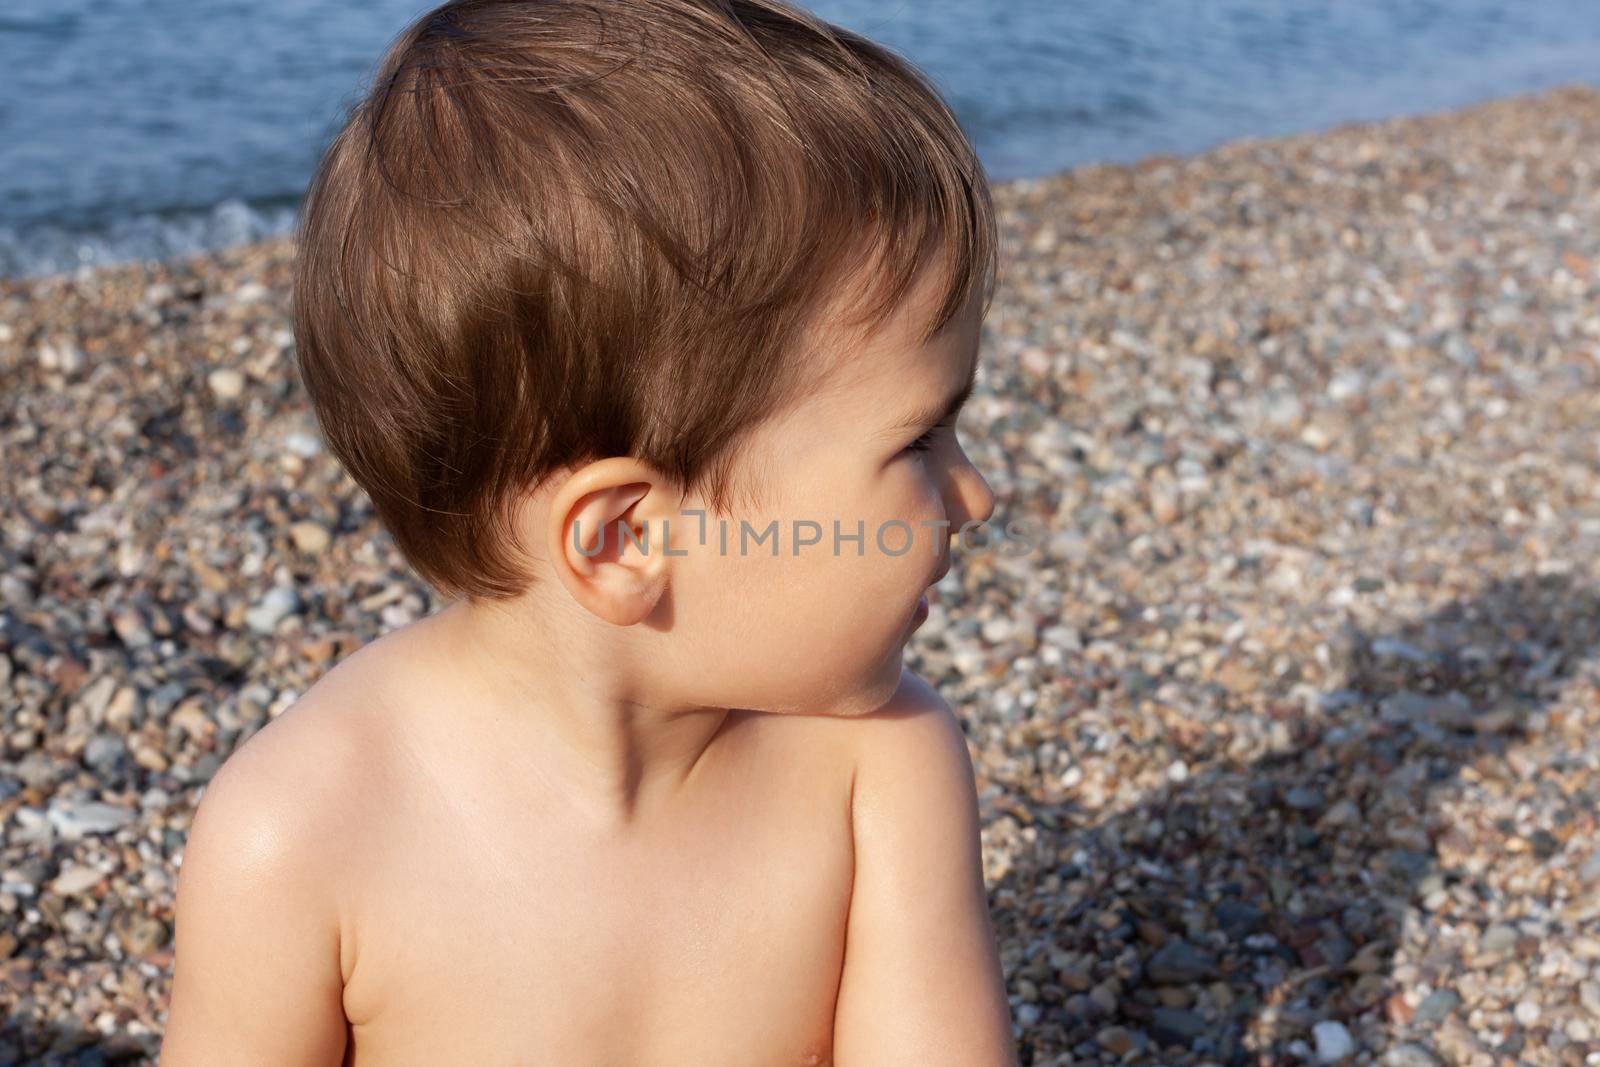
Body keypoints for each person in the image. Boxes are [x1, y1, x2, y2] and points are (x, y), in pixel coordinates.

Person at [160, 1, 1015, 1062]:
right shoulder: (302, 834)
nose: (974, 494)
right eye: (919, 439)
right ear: (622, 539)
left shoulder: (879, 770)